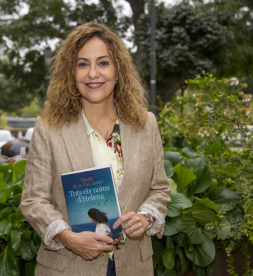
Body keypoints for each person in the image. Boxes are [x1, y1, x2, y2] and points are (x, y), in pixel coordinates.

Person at [20, 22, 171, 276]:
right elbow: (33, 200)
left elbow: (160, 189)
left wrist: (146, 217)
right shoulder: (48, 128)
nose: (93, 73)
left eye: (103, 63)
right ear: (71, 73)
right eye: (82, 64)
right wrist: (67, 237)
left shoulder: (146, 125)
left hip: (133, 265)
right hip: (68, 266)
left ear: (118, 70)